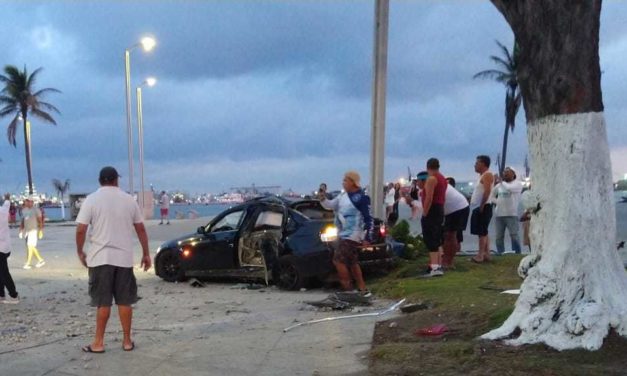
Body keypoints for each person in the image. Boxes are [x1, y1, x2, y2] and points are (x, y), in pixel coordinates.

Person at [75, 166, 152, 353]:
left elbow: (81, 229)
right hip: (124, 258)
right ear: (116, 180)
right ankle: (127, 341)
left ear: (100, 180)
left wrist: (80, 251)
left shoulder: (91, 200)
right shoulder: (128, 200)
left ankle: (98, 343)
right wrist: (146, 253)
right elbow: (140, 228)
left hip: (100, 258)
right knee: (125, 301)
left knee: (103, 302)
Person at [320, 171, 374, 296]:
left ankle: (348, 289)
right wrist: (322, 197)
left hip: (353, 234)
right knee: (352, 262)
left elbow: (368, 218)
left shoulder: (361, 198)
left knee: (338, 260)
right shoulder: (342, 196)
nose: (343, 183)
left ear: (352, 182)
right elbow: (330, 205)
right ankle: (362, 289)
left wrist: (368, 237)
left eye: (345, 180)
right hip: (343, 233)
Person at [421, 158, 448, 277]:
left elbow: (429, 197)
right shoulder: (442, 178)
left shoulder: (431, 179)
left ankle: (435, 267)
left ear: (427, 167)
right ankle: (437, 265)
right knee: (436, 237)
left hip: (433, 209)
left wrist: (425, 212)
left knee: (430, 238)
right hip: (439, 208)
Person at [492, 167, 523, 254]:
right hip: (499, 215)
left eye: (507, 172)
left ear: (513, 174)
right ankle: (500, 253)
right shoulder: (499, 186)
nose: (505, 173)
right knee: (499, 237)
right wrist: (497, 202)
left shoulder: (517, 184)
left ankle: (516, 253)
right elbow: (492, 195)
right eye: (504, 172)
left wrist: (501, 182)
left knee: (514, 236)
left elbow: (509, 188)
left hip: (511, 214)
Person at [470, 155, 495, 263]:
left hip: (484, 206)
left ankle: (480, 255)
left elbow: (487, 191)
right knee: (483, 231)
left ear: (483, 164)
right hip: (479, 206)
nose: (475, 165)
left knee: (482, 231)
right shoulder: (481, 176)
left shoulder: (487, 175)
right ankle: (486, 253)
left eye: (477, 163)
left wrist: (482, 205)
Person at [442, 177, 470, 269]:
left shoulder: (435, 185)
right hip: (451, 210)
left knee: (451, 235)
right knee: (447, 235)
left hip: (458, 209)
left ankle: (449, 262)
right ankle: (446, 260)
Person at [0, 193, 19, 304]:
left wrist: (7, 199)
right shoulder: (3, 210)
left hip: (0, 248)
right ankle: (1, 295)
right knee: (1, 271)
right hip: (6, 247)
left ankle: (14, 295)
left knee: (4, 272)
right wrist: (7, 198)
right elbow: (7, 204)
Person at [19, 196, 45, 269]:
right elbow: (23, 221)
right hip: (27, 231)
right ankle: (40, 260)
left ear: (32, 202)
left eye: (28, 201)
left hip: (33, 230)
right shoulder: (24, 210)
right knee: (30, 246)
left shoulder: (36, 210)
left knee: (30, 246)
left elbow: (40, 221)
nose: (26, 202)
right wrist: (21, 231)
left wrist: (40, 231)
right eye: (26, 201)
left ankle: (28, 263)